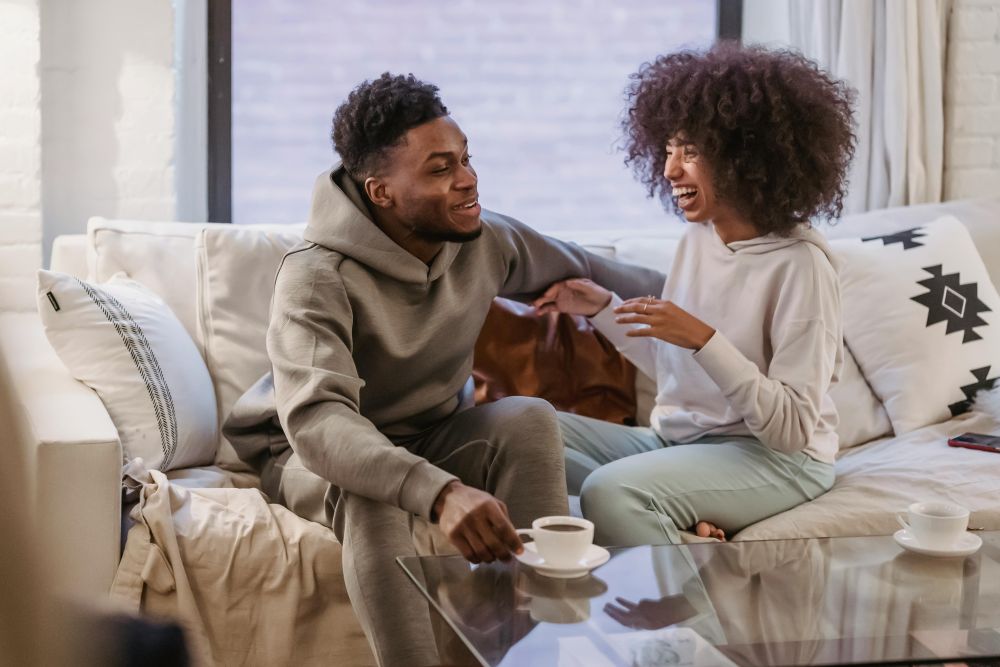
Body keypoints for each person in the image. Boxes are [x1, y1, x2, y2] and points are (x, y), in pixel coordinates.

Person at [262, 73, 664, 666]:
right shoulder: (315, 276)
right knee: (372, 499)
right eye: (440, 168)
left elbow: (584, 266)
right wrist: (441, 492)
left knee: (527, 417)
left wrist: (710, 295)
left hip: (432, 434)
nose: (468, 179)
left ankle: (537, 653)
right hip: (312, 451)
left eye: (467, 158)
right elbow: (319, 421)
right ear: (381, 192)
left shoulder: (480, 240)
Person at [534, 44, 856, 547]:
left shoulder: (801, 265)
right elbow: (677, 368)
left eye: (691, 152)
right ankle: (678, 527)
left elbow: (791, 429)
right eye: (667, 150)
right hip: (683, 442)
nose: (669, 171)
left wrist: (704, 338)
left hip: (780, 460)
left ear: (745, 156)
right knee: (524, 433)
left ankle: (689, 607)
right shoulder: (697, 241)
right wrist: (599, 307)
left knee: (609, 493)